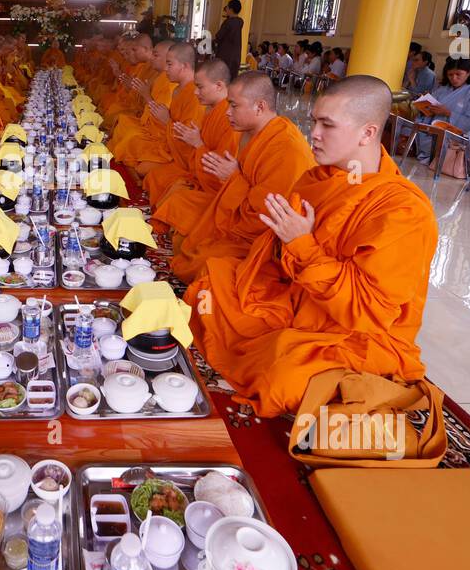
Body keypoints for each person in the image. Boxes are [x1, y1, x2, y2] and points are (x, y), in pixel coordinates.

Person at [185, 75, 437, 416]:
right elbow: (276, 254)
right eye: (314, 122)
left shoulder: (401, 210)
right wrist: (284, 242)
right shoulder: (317, 179)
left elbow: (368, 311)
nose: (314, 135)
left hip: (356, 334)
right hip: (299, 298)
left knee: (280, 376)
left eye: (327, 125)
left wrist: (302, 244)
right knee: (211, 284)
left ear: (368, 132)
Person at [158, 72, 316, 283]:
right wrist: (233, 178)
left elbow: (267, 214)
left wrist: (233, 178)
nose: (227, 112)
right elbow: (234, 181)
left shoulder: (286, 148)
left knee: (203, 262)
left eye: (233, 106)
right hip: (233, 210)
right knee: (180, 205)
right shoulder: (251, 132)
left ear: (259, 107)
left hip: (260, 236)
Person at [143, 58, 238, 206]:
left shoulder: (229, 117)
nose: (195, 92)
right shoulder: (211, 108)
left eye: (200, 87)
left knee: (175, 199)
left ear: (219, 86)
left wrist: (197, 143)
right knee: (155, 178)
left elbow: (219, 169)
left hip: (213, 186)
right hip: (195, 169)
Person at [120, 42, 202, 173]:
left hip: (180, 154)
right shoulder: (177, 89)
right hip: (166, 142)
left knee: (144, 169)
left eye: (169, 64)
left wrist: (167, 121)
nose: (166, 69)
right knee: (130, 140)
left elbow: (187, 140)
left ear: (184, 66)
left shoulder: (195, 95)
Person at [411, 56, 470, 164]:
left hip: (456, 139)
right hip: (433, 132)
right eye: (450, 75)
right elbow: (429, 108)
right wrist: (425, 105)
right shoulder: (443, 89)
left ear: (469, 72)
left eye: (458, 74)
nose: (454, 78)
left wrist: (448, 113)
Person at [212, 0, 244, 79]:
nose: (226, 9)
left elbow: (219, 36)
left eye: (227, 7)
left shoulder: (228, 22)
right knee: (232, 76)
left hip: (225, 54)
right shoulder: (240, 21)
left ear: (231, 9)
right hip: (236, 54)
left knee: (222, 76)